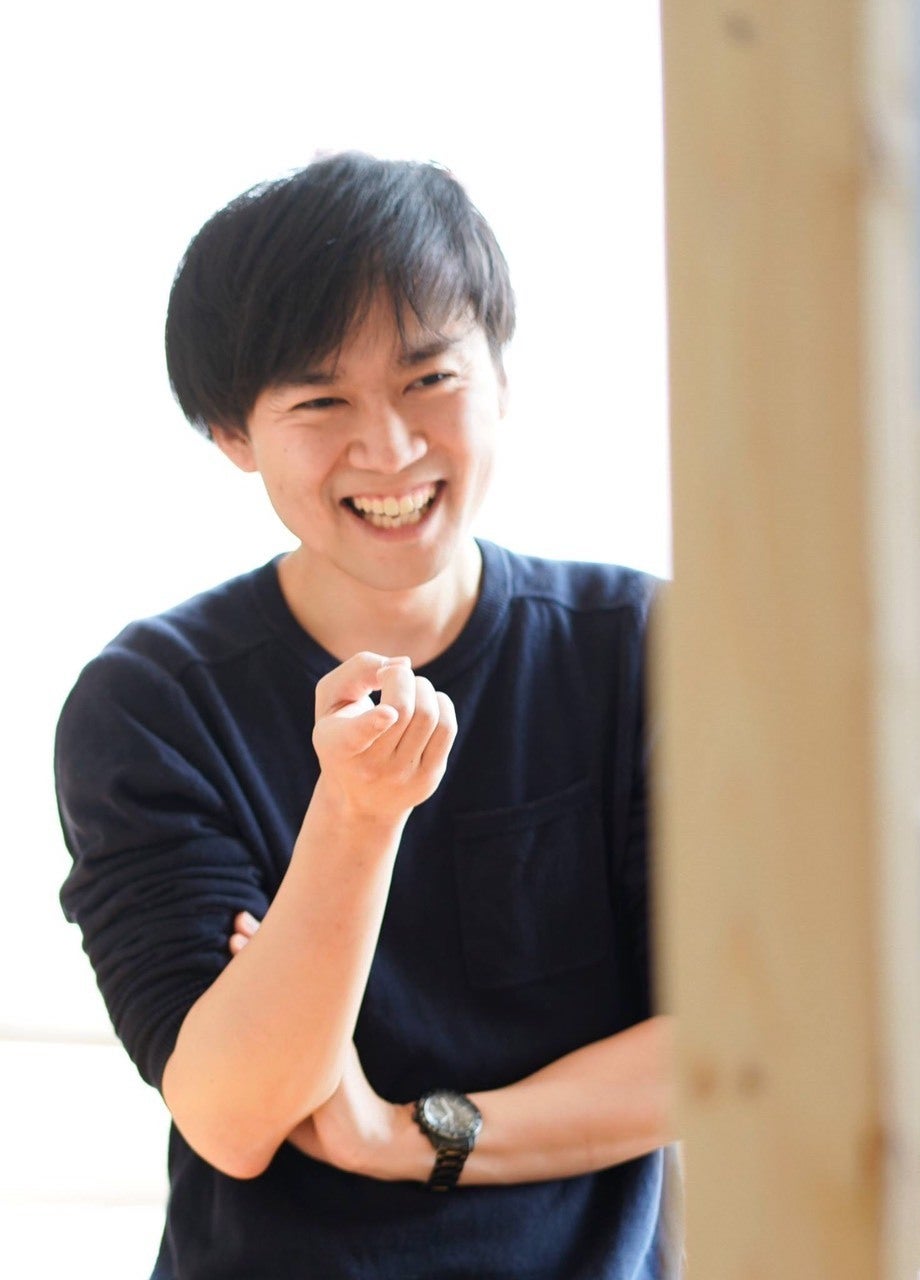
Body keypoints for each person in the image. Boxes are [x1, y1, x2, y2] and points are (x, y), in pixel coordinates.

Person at [54, 151, 673, 1279]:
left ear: (500, 375)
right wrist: (355, 813)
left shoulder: (643, 648)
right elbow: (233, 1113)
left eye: (429, 378)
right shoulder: (151, 701)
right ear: (232, 434)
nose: (389, 448)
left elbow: (733, 1046)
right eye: (320, 401)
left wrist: (406, 1137)